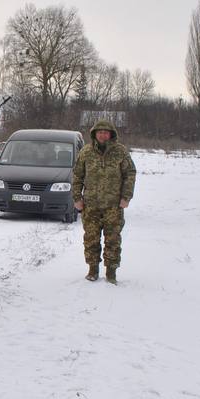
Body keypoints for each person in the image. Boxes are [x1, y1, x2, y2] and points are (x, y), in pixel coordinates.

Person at [72, 118, 136, 283]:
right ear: (94, 134)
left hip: (113, 206)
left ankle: (111, 273)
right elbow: (77, 175)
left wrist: (126, 197)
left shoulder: (120, 152)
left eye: (105, 132)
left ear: (111, 134)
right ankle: (92, 270)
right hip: (91, 205)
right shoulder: (86, 152)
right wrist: (77, 197)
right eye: (99, 132)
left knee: (113, 239)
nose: (102, 135)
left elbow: (130, 173)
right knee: (91, 239)